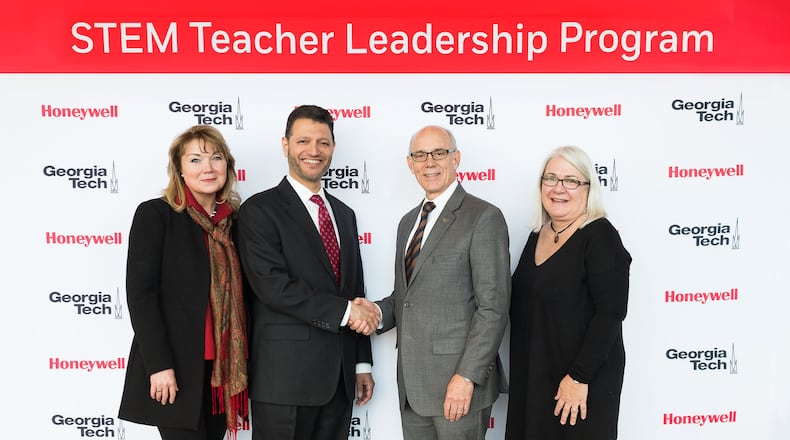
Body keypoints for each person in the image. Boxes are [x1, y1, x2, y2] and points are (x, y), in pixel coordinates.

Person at [237, 105, 379, 440]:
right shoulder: (259, 210)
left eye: (323, 142)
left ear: (332, 148)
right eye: (303, 141)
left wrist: (361, 363)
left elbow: (354, 289)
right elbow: (273, 287)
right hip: (285, 381)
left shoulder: (344, 214)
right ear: (285, 145)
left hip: (340, 380)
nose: (313, 151)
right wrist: (347, 312)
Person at [365, 125, 511, 440]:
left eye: (439, 153)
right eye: (420, 155)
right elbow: (404, 297)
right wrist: (374, 313)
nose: (429, 162)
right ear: (410, 164)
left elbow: (494, 308)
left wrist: (466, 377)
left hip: (458, 387)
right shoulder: (408, 222)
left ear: (455, 158)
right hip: (412, 387)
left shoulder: (483, 217)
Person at [118, 125, 248, 440]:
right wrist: (159, 365)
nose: (208, 168)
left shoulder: (237, 222)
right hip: (175, 367)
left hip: (222, 370)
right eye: (195, 160)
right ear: (179, 168)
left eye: (216, 158)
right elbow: (141, 296)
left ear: (227, 166)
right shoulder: (156, 214)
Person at [505, 145, 631, 440]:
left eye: (571, 180)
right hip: (534, 374)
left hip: (578, 385)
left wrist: (578, 377)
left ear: (588, 188)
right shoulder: (538, 234)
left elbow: (611, 314)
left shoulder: (600, 236)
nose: (559, 188)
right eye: (551, 179)